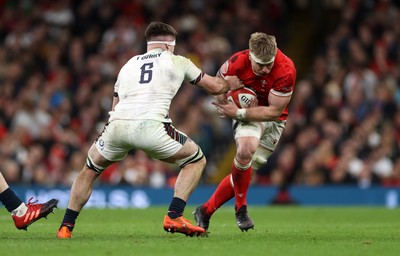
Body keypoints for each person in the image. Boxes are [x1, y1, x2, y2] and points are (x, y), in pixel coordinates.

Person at [56, 21, 242, 239]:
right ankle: (174, 214)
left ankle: (65, 227)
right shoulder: (178, 61)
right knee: (196, 160)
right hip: (152, 126)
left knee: (89, 171)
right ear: (168, 46)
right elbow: (214, 87)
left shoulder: (127, 65)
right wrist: (231, 82)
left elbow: (114, 106)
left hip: (117, 125)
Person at [194, 32, 296, 232]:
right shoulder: (236, 62)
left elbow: (274, 111)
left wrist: (238, 111)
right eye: (260, 64)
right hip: (247, 114)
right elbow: (217, 86)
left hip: (273, 120)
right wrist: (225, 96)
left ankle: (205, 211)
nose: (266, 68)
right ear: (250, 55)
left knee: (244, 174)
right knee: (245, 149)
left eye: (269, 63)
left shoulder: (286, 69)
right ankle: (241, 208)